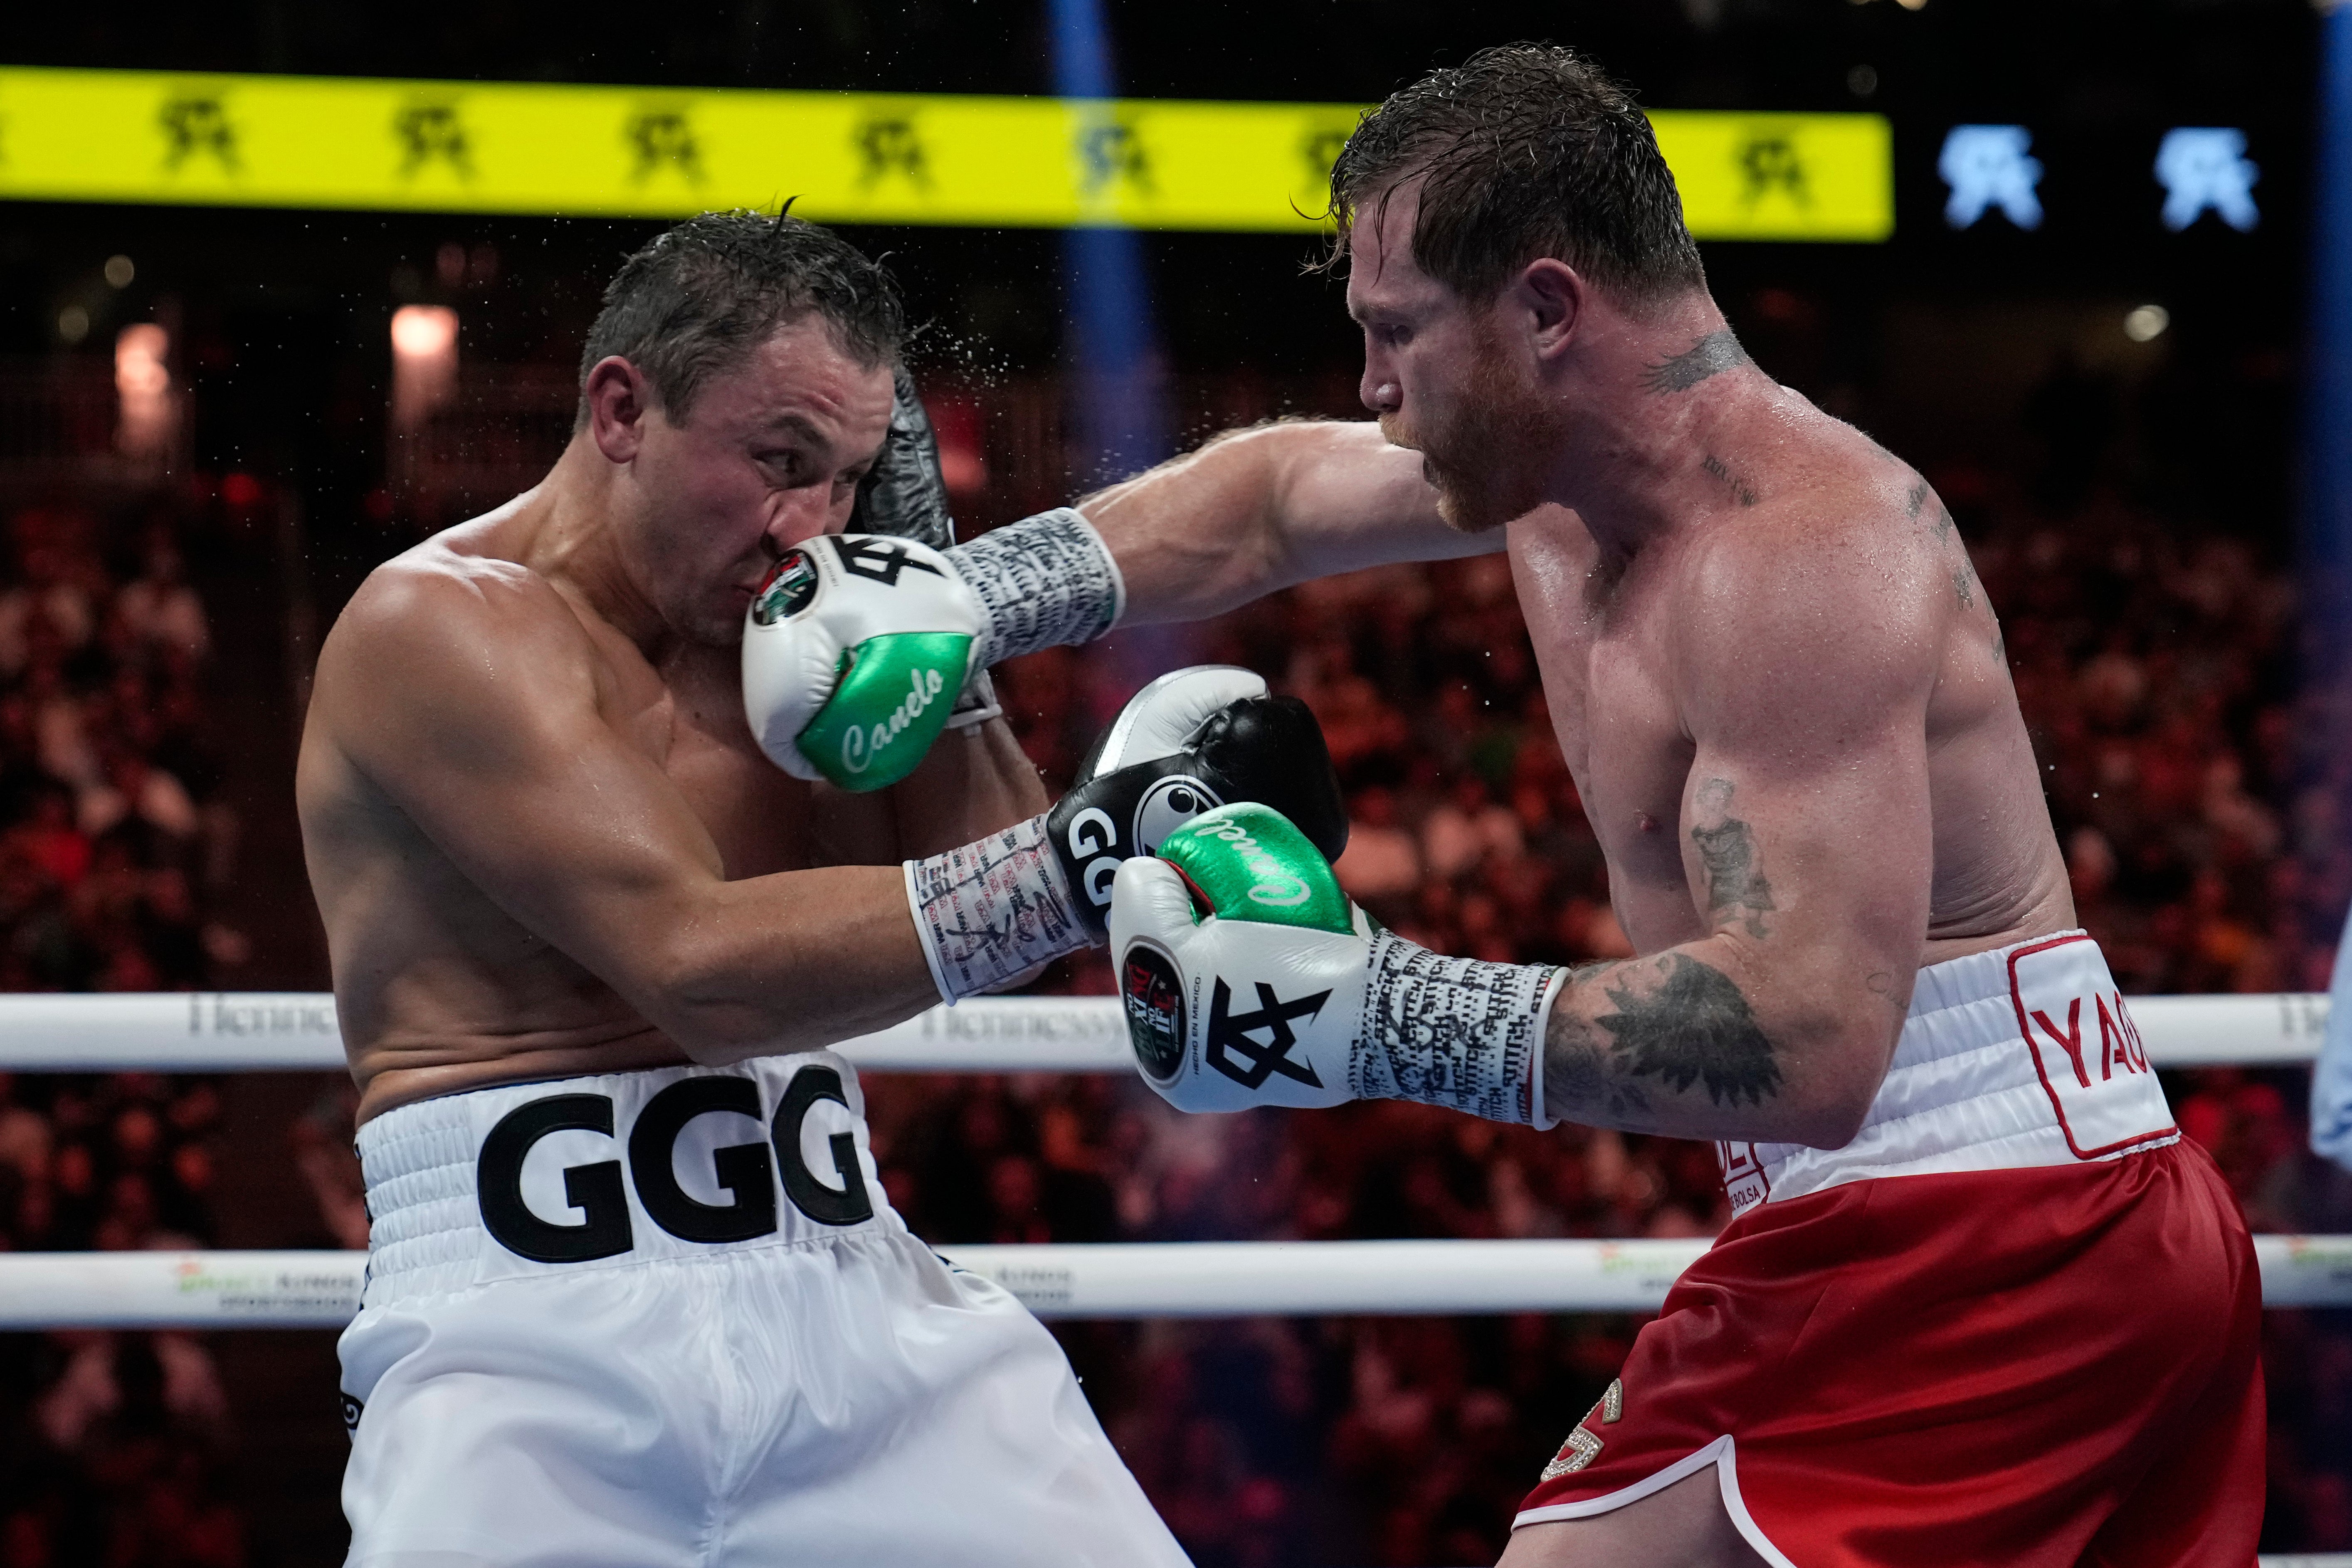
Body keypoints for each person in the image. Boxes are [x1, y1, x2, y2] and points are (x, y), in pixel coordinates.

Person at [780, 44, 2262, 1568]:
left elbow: (1814, 1040)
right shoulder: (1552, 473)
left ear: (1547, 312)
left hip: (1990, 1223)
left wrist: (1380, 1012)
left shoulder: (1799, 552)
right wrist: (966, 595)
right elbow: (1271, 499)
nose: (1369, 385)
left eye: (1395, 332)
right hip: (1938, 1217)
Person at [295, 211, 1348, 1568]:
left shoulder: (793, 634)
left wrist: (945, 621)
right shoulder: (436, 624)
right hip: (525, 1344)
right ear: (621, 407)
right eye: (779, 463)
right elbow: (697, 967)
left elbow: (987, 911)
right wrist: (1103, 846)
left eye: (852, 481)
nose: (812, 527)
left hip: (852, 1288)